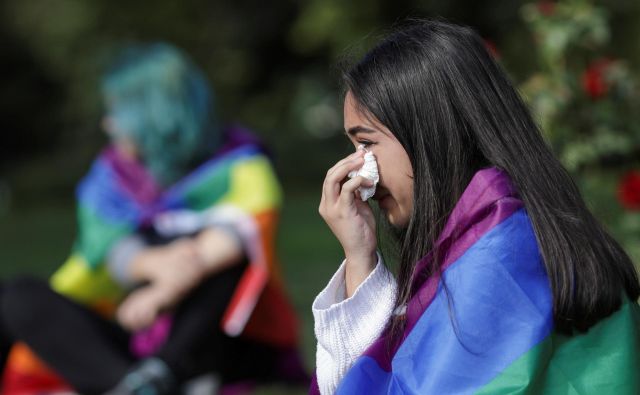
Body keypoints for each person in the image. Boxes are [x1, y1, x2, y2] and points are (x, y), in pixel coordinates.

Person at [313, 19, 640, 394]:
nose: (357, 170)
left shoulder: (502, 253)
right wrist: (359, 256)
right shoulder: (505, 233)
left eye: (366, 144)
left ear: (432, 131)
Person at [0, 43, 306, 395]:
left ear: (156, 112)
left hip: (211, 339)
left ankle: (160, 373)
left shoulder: (239, 164)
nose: (107, 123)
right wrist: (153, 264)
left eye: (116, 111)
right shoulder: (109, 176)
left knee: (224, 263)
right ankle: (135, 385)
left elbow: (243, 230)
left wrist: (166, 288)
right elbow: (108, 247)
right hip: (129, 327)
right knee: (17, 296)